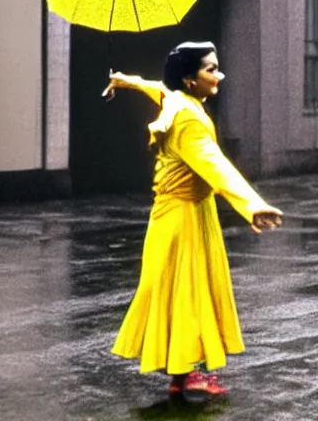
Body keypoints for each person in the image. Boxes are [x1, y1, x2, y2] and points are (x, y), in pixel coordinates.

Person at [105, 41, 282, 400]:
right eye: (211, 70)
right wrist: (252, 206)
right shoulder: (188, 118)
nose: (219, 75)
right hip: (182, 217)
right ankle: (187, 374)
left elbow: (156, 87)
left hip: (186, 212)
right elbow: (214, 164)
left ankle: (182, 373)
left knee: (185, 292)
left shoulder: (178, 101)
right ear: (189, 80)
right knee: (187, 293)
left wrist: (124, 80)